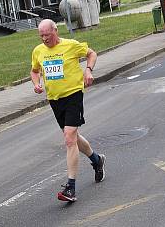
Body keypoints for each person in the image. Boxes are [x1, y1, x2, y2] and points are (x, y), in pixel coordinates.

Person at [31, 19, 105, 202]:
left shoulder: (71, 46)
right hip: (54, 99)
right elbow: (34, 71)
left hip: (73, 95)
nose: (44, 39)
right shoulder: (38, 51)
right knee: (72, 136)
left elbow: (91, 53)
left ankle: (70, 188)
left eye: (47, 34)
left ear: (55, 31)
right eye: (41, 35)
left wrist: (88, 70)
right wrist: (36, 83)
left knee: (69, 137)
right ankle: (97, 160)